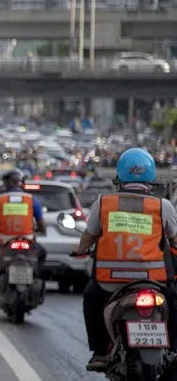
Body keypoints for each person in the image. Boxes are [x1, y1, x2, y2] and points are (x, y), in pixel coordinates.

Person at [75, 148, 177, 371]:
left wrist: (79, 249)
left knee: (91, 299)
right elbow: (174, 241)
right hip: (154, 282)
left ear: (120, 175)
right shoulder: (162, 206)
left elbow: (89, 237)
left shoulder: (104, 204)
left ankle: (100, 352)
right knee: (174, 301)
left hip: (109, 282)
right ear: (151, 176)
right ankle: (174, 349)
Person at [0, 169, 47, 274]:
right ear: (22, 183)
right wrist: (41, 229)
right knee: (42, 253)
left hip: (4, 241)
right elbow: (41, 223)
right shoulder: (31, 199)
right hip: (27, 239)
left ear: (6, 183)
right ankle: (36, 275)